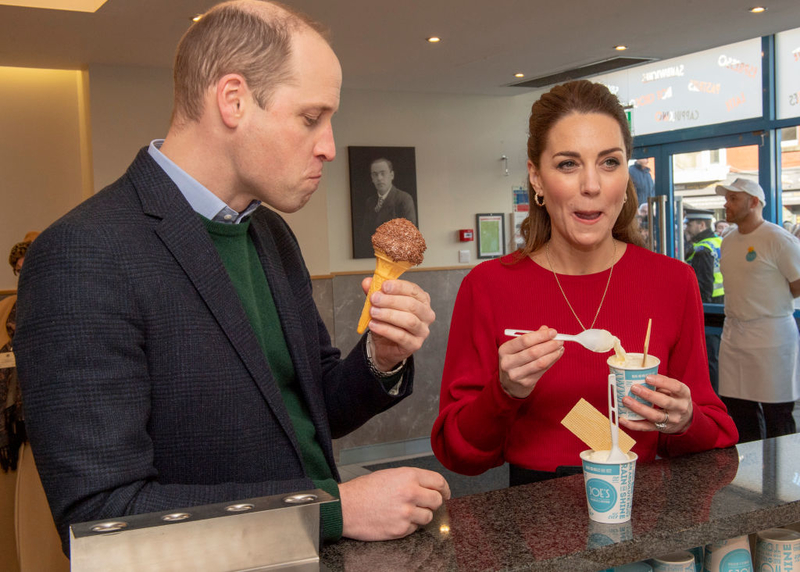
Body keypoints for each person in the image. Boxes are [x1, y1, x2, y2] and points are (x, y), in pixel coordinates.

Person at [15, 0, 449, 554]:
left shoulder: (271, 234)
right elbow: (103, 521)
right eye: (312, 118)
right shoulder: (81, 254)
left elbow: (316, 408)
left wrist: (379, 357)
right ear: (234, 100)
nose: (329, 147)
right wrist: (332, 510)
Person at [431, 80, 738, 485]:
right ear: (537, 178)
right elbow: (458, 452)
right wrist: (503, 391)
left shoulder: (672, 281)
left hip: (644, 513)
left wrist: (683, 420)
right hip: (530, 523)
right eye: (568, 164)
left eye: (609, 162)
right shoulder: (488, 286)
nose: (591, 185)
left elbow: (714, 431)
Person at [715, 178, 800, 443]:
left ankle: (785, 481)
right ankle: (747, 479)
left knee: (777, 416)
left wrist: (769, 304)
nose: (726, 204)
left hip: (771, 338)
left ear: (754, 202)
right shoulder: (727, 240)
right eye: (726, 198)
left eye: (733, 199)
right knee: (739, 413)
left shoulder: (778, 238)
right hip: (734, 337)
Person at [0, 231, 38, 472]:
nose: (22, 272)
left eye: (27, 266)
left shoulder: (49, 295)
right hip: (12, 394)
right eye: (18, 268)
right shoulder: (8, 305)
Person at [683, 208, 724, 394]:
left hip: (709, 309)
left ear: (701, 224)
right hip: (722, 304)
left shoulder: (702, 249)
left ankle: (712, 395)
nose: (687, 229)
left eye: (689, 224)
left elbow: (703, 285)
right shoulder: (719, 242)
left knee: (709, 358)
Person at [355, 158, 417, 258]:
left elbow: (409, 234)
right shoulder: (370, 202)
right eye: (375, 174)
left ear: (392, 175)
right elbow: (364, 236)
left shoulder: (404, 199)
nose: (379, 178)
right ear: (372, 178)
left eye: (383, 173)